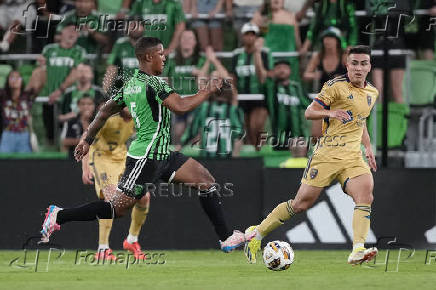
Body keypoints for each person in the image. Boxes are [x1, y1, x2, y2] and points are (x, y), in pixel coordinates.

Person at [39, 36, 254, 252]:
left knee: (206, 181)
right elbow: (180, 106)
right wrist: (207, 90)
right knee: (116, 209)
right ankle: (59, 215)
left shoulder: (131, 84)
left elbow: (104, 110)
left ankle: (226, 237)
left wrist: (86, 139)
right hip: (146, 157)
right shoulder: (153, 83)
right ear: (148, 57)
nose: (164, 57)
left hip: (163, 154)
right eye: (161, 53)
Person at [244, 46, 379, 265]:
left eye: (364, 63)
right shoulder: (334, 87)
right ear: (347, 65)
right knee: (300, 205)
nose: (359, 68)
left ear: (369, 66)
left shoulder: (372, 92)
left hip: (354, 156)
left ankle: (358, 250)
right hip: (326, 154)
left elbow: (360, 120)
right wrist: (331, 112)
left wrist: (369, 147)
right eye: (354, 63)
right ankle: (257, 233)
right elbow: (309, 112)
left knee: (365, 195)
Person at [81, 105, 149, 260]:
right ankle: (103, 249)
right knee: (110, 200)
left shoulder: (138, 117)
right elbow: (86, 136)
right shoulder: (109, 118)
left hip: (122, 157)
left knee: (144, 196)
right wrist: (85, 167)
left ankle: (132, 240)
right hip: (101, 158)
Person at [181, 54, 244, 158]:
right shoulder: (204, 102)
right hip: (207, 157)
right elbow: (201, 80)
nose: (215, 81)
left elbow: (228, 80)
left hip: (226, 158)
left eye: (218, 78)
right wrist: (208, 61)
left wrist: (214, 61)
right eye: (213, 78)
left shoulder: (231, 105)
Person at [165, 29, 212, 145]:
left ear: (195, 42)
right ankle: (177, 158)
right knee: (178, 132)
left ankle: (195, 158)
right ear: (179, 41)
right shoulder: (172, 60)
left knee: (195, 129)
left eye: (190, 38)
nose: (186, 41)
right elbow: (166, 80)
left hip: (196, 102)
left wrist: (201, 71)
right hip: (178, 103)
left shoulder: (202, 59)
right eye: (184, 38)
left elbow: (206, 81)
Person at [231, 22, 272, 147]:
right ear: (242, 37)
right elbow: (233, 77)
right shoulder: (237, 54)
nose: (250, 38)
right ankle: (252, 158)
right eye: (247, 34)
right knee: (246, 131)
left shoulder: (265, 53)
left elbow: (263, 78)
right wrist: (234, 95)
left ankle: (261, 152)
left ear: (256, 37)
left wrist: (257, 54)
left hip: (260, 97)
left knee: (257, 127)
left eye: (253, 35)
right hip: (242, 97)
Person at [259, 59, 311, 155]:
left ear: (290, 70)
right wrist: (257, 53)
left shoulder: (297, 88)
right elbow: (261, 75)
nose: (282, 70)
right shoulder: (270, 87)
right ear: (273, 71)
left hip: (298, 137)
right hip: (277, 138)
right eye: (278, 68)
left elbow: (309, 106)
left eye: (285, 68)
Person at [251, 0, 301, 82]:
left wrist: (300, 53)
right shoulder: (261, 16)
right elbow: (251, 33)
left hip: (289, 57)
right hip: (270, 57)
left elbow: (297, 38)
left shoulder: (291, 16)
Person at [102, 19, 144, 95]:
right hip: (125, 91)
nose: (135, 28)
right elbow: (111, 68)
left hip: (145, 90)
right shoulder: (120, 44)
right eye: (132, 25)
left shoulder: (151, 44)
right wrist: (104, 93)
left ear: (143, 27)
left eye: (138, 25)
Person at [0, 71, 37, 153]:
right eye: (12, 77)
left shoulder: (27, 96)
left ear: (21, 81)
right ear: (8, 81)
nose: (15, 80)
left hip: (24, 135)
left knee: (25, 164)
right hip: (7, 134)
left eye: (18, 77)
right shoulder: (3, 95)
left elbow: (38, 83)